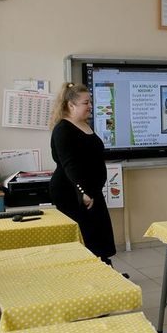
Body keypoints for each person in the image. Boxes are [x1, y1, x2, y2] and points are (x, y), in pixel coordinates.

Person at [49, 83, 118, 267]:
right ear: (71, 105)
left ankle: (103, 268)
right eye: (85, 102)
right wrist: (83, 192)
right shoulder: (63, 129)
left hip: (92, 190)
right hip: (73, 193)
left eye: (90, 102)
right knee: (86, 235)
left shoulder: (84, 125)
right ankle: (89, 273)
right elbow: (70, 165)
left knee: (99, 233)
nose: (90, 106)